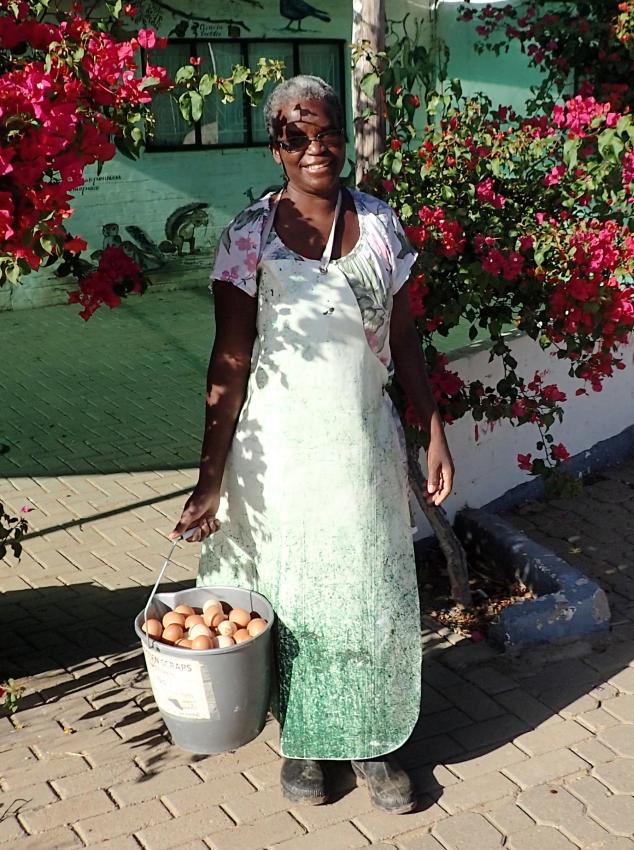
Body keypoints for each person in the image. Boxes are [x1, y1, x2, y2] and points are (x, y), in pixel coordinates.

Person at [172, 75, 454, 813]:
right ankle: (302, 740)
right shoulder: (249, 237)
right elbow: (228, 362)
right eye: (297, 136)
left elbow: (406, 342)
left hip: (359, 447)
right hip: (279, 455)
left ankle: (369, 742)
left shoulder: (384, 227)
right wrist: (210, 477)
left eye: (327, 130)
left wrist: (433, 433)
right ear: (277, 149)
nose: (316, 147)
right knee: (289, 589)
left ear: (344, 135)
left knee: (362, 588)